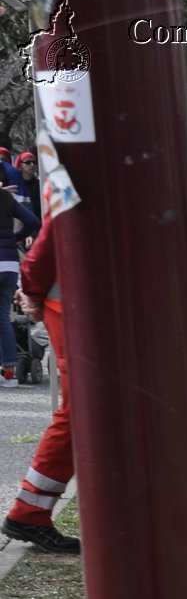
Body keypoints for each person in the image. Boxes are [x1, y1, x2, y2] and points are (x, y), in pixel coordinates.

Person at [1, 212, 78, 554]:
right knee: (80, 415)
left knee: (82, 414)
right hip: (74, 311)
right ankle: (28, 513)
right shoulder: (77, 177)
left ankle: (30, 512)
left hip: (77, 309)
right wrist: (31, 291)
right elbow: (49, 236)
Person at [0, 188, 38, 386]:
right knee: (3, 318)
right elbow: (32, 221)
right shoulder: (7, 198)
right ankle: (9, 374)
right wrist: (15, 237)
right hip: (10, 264)